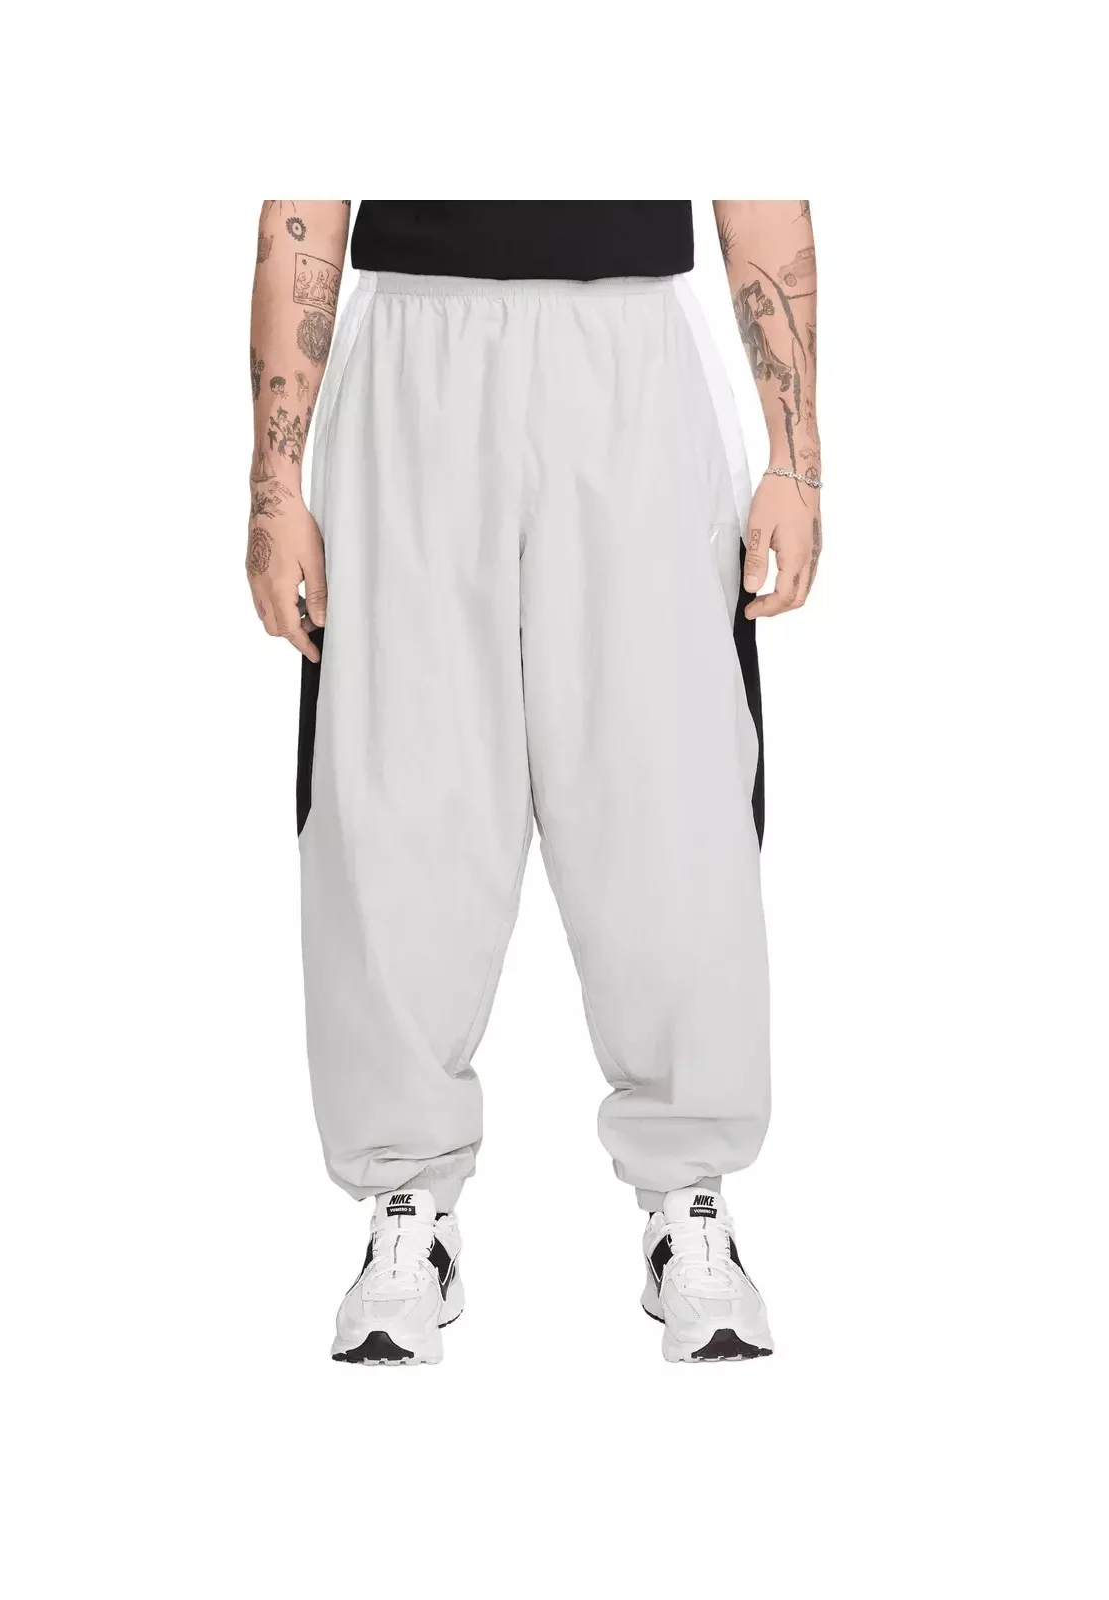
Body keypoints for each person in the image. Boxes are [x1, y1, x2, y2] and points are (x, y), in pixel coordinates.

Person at [247, 200, 822, 1364]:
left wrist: (795, 461)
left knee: (671, 791)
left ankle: (689, 1199)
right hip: (412, 339)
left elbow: (759, 165)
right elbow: (303, 190)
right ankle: (408, 1207)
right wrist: (275, 482)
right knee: (396, 789)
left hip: (631, 347)